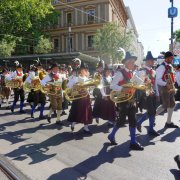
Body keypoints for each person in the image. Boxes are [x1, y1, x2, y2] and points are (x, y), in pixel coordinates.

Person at [108, 52, 144, 151]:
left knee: (133, 120)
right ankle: (111, 135)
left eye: (133, 62)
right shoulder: (120, 73)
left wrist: (143, 83)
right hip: (123, 100)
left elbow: (136, 84)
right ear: (127, 63)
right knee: (121, 120)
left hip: (131, 99)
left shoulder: (133, 73)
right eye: (132, 62)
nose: (133, 64)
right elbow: (112, 85)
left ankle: (133, 142)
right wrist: (121, 89)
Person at [136, 51, 160, 136]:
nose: (153, 62)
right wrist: (146, 91)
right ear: (147, 61)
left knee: (152, 111)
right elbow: (139, 83)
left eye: (153, 60)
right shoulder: (142, 71)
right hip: (146, 94)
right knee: (152, 111)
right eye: (151, 60)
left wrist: (157, 93)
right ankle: (149, 129)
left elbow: (155, 83)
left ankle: (140, 123)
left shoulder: (153, 71)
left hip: (152, 93)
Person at [67, 61, 93, 134]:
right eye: (85, 70)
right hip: (78, 98)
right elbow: (69, 86)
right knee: (77, 111)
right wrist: (75, 86)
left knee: (87, 112)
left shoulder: (87, 78)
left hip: (86, 97)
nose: (86, 71)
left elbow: (90, 88)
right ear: (81, 70)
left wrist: (91, 93)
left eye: (87, 70)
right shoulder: (75, 78)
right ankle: (73, 123)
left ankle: (86, 127)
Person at [155, 51, 179, 128]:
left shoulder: (170, 66)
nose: (172, 59)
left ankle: (168, 122)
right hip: (164, 89)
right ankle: (151, 117)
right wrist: (166, 84)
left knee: (172, 105)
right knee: (165, 105)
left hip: (170, 88)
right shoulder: (161, 67)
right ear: (167, 58)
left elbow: (172, 77)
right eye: (171, 57)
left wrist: (173, 85)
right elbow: (157, 80)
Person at [92, 59, 105, 124]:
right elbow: (95, 82)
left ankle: (99, 115)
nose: (101, 69)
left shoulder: (103, 73)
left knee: (102, 104)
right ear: (98, 68)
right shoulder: (96, 73)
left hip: (102, 89)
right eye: (100, 67)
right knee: (97, 103)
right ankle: (96, 116)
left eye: (102, 67)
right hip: (97, 90)